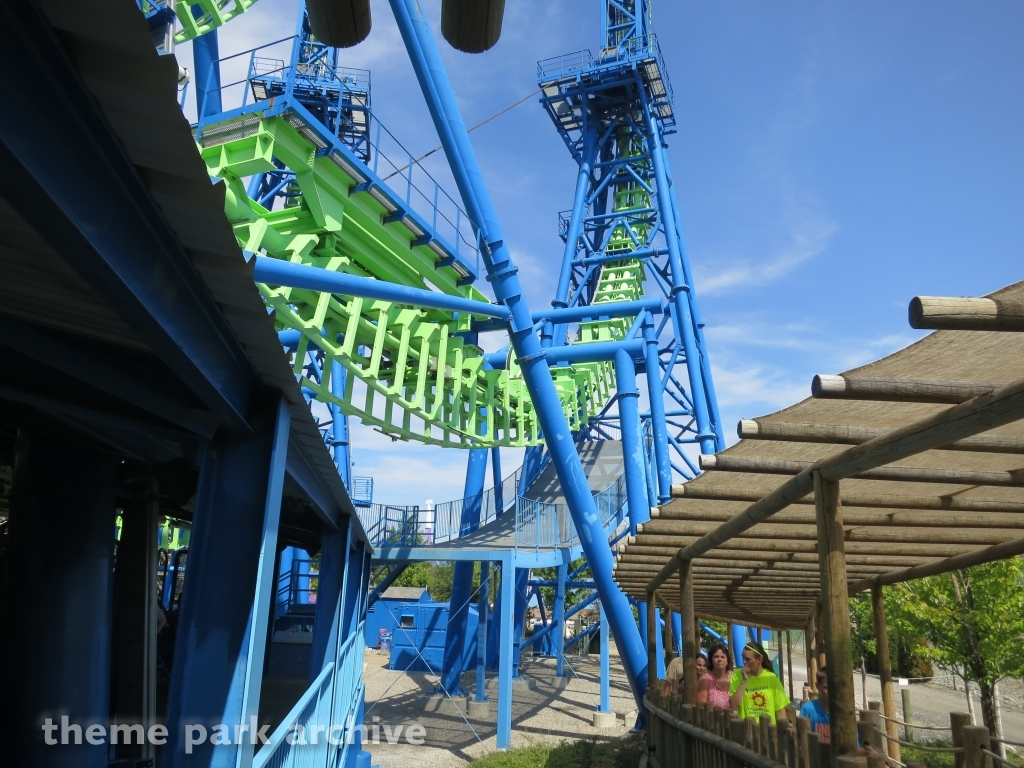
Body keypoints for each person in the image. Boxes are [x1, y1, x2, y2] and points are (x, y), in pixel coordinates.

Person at [729, 642, 790, 723]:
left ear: (759, 660)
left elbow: (780, 711)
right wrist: (744, 681)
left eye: (748, 659)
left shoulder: (772, 678)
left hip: (769, 730)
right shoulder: (737, 675)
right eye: (743, 658)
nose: (744, 661)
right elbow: (733, 705)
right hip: (747, 728)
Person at [697, 642, 733, 710]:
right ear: (711, 660)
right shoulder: (705, 680)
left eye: (722, 657)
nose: (719, 659)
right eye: (716, 657)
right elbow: (701, 708)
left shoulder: (733, 678)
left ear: (727, 661)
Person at [799, 668, 830, 743]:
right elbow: (801, 740)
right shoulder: (807, 709)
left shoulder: (844, 713)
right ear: (817, 686)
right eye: (826, 688)